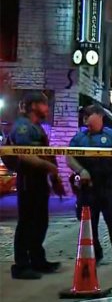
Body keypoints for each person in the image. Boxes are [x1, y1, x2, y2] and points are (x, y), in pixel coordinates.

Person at [66, 105, 112, 267]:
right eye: (84, 116)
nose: (85, 119)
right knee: (88, 224)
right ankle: (93, 255)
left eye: (89, 115)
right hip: (88, 187)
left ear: (99, 116)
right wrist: (81, 170)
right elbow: (69, 157)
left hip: (110, 186)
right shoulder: (79, 138)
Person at [8, 92, 66, 280]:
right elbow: (24, 154)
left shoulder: (36, 127)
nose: (47, 108)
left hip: (40, 180)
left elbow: (46, 153)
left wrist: (54, 177)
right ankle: (22, 265)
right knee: (27, 222)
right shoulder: (23, 127)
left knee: (40, 221)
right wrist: (48, 167)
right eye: (44, 104)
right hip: (29, 180)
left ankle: (37, 260)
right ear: (34, 105)